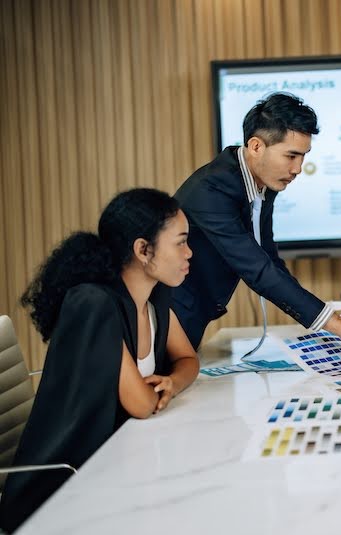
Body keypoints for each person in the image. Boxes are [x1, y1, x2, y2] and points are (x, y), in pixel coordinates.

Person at [0, 188, 200, 532]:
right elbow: (141, 404)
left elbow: (187, 359)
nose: (189, 252)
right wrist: (161, 391)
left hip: (114, 467)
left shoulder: (155, 295)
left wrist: (173, 382)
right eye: (180, 242)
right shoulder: (94, 303)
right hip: (61, 494)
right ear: (143, 250)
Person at [172, 92, 341, 368]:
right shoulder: (212, 189)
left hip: (195, 311)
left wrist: (326, 323)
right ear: (256, 146)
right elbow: (257, 270)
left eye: (303, 157)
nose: (298, 169)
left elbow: (269, 259)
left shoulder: (263, 181)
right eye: (291, 156)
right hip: (171, 314)